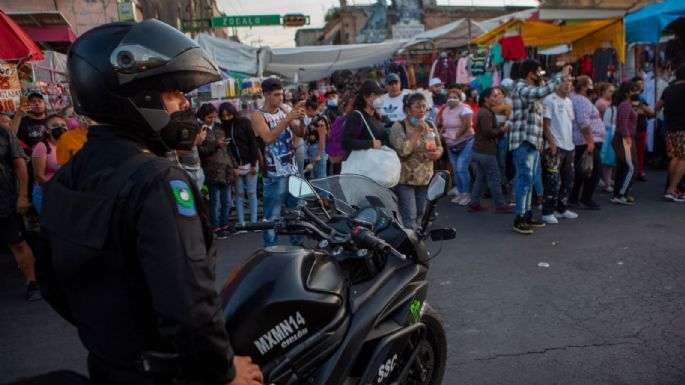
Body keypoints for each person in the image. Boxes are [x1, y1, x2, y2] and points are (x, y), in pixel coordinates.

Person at [36, 20, 262, 385]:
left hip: (108, 366)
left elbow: (51, 281)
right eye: (174, 93)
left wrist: (116, 341)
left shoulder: (66, 177)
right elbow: (190, 310)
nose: (184, 104)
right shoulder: (157, 182)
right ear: (139, 96)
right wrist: (225, 371)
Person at [510, 60, 572, 234]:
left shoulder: (532, 89)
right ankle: (519, 218)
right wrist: (561, 76)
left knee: (528, 181)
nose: (541, 75)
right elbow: (539, 92)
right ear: (531, 73)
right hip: (522, 141)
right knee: (524, 180)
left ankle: (527, 215)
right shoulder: (520, 86)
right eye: (539, 72)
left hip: (532, 141)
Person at [251, 77, 305, 247]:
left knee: (295, 212)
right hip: (274, 174)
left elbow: (299, 132)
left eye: (281, 94)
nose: (280, 98)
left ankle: (297, 245)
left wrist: (301, 120)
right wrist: (286, 119)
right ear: (265, 95)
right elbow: (267, 138)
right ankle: (270, 249)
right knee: (272, 215)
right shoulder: (258, 115)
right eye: (275, 95)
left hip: (292, 170)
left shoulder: (285, 110)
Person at [389, 92, 443, 229]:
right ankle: (410, 245)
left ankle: (417, 240)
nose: (422, 110)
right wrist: (417, 132)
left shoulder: (429, 124)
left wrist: (437, 153)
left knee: (422, 213)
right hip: (405, 179)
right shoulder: (398, 127)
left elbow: (439, 146)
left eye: (424, 107)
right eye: (418, 107)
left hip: (425, 178)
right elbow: (403, 150)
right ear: (408, 109)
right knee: (410, 215)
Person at [1, 122, 40, 301]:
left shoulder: (4, 134)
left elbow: (20, 165)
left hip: (5, 200)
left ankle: (32, 284)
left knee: (17, 243)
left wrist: (23, 195)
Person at [468, 87, 514, 214]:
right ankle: (500, 204)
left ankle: (474, 203)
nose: (497, 98)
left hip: (480, 150)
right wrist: (502, 130)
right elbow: (487, 132)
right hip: (486, 151)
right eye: (494, 96)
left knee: (481, 178)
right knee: (495, 177)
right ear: (486, 99)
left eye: (498, 95)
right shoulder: (486, 113)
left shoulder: (485, 111)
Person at [540, 75, 577, 225]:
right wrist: (552, 143)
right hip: (555, 147)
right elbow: (546, 124)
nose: (567, 84)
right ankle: (547, 211)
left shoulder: (569, 101)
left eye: (569, 81)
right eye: (563, 81)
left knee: (568, 180)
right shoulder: (550, 99)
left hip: (569, 146)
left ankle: (561, 208)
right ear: (555, 83)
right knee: (552, 182)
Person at [197, 103, 237, 240]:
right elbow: (201, 151)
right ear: (202, 117)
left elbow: (228, 149)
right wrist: (216, 145)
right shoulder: (200, 130)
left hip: (226, 168)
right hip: (212, 170)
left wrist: (234, 165)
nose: (212, 119)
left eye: (214, 117)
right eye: (209, 117)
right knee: (215, 201)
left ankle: (224, 224)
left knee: (226, 201)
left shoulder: (219, 127)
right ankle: (215, 227)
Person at [220, 102, 260, 225]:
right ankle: (241, 222)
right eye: (223, 116)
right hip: (236, 166)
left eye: (228, 115)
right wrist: (233, 166)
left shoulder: (244, 122)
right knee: (239, 194)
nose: (226, 118)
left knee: (252, 193)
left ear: (233, 112)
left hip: (250, 163)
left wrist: (253, 164)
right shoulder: (223, 128)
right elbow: (227, 150)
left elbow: (253, 143)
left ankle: (253, 222)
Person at [569, 75, 605, 210]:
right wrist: (590, 142)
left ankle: (573, 197)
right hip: (585, 141)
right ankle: (586, 198)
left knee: (581, 171)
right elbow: (584, 122)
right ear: (583, 87)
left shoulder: (577, 99)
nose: (592, 87)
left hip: (582, 140)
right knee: (596, 171)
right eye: (590, 84)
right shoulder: (581, 100)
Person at [437, 88, 474, 205]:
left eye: (455, 97)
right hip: (451, 143)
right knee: (456, 170)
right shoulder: (445, 110)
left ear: (460, 98)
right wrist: (439, 136)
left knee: (461, 168)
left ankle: (466, 194)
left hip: (465, 141)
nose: (452, 99)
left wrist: (456, 135)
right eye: (450, 97)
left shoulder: (465, 109)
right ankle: (460, 192)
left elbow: (467, 125)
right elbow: (444, 125)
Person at [657, 65, 685, 202]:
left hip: (671, 129)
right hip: (683, 129)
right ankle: (672, 189)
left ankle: (672, 189)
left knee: (674, 157)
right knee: (683, 158)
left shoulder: (668, 89)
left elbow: (657, 107)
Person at [611, 82, 639, 205]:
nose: (636, 93)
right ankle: (621, 194)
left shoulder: (626, 105)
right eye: (634, 90)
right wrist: (627, 138)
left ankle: (619, 193)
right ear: (627, 92)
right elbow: (623, 124)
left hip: (623, 138)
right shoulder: (626, 105)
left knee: (623, 167)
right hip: (624, 138)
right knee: (631, 167)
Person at [31, 114, 66, 214]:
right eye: (55, 125)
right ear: (47, 130)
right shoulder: (42, 146)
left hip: (65, 193)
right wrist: (56, 189)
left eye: (63, 125)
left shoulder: (67, 146)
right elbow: (38, 176)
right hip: (46, 194)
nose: (60, 128)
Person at [342, 80, 389, 153]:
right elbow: (346, 142)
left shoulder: (376, 116)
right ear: (365, 97)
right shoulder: (356, 116)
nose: (379, 98)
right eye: (375, 94)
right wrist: (370, 144)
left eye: (380, 95)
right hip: (363, 162)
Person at [631, 76, 656, 182]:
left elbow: (651, 113)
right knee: (631, 153)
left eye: (641, 84)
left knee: (641, 152)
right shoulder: (629, 98)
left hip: (641, 127)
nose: (640, 87)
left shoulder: (641, 98)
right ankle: (632, 173)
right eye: (637, 85)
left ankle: (639, 172)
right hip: (631, 129)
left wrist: (642, 108)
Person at [304, 99, 329, 180]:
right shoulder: (315, 119)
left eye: (306, 110)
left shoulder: (320, 120)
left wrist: (318, 154)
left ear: (310, 108)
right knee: (315, 176)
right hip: (314, 148)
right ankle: (318, 193)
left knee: (321, 177)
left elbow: (322, 138)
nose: (305, 113)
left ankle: (324, 193)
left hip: (318, 148)